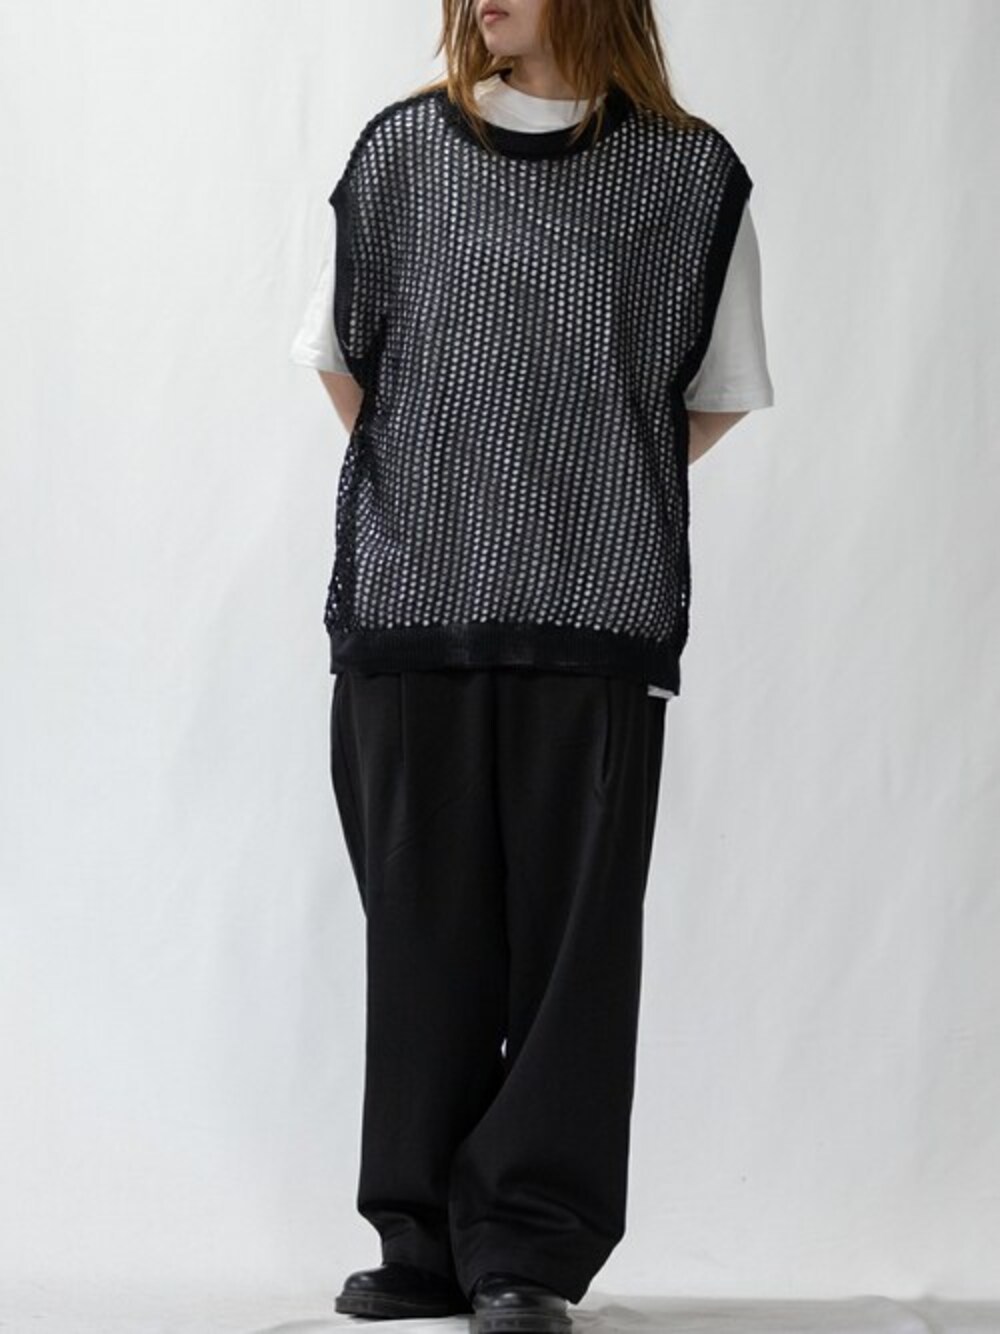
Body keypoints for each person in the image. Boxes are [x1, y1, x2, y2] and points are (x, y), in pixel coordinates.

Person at [289, 1, 773, 1329]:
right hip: (413, 607)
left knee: (572, 946)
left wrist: (578, 491)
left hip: (595, 615)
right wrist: (451, 490)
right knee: (421, 926)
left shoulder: (687, 178)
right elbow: (342, 360)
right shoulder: (400, 156)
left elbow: (711, 393)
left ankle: (528, 1252)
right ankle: (424, 1238)